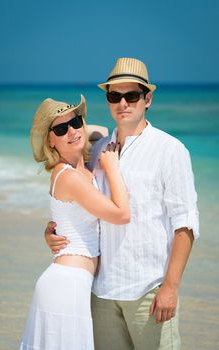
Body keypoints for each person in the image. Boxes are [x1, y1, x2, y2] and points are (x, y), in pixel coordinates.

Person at [45, 58, 199, 350]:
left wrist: (171, 286)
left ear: (147, 99)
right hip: (101, 292)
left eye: (132, 95)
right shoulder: (97, 148)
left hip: (149, 292)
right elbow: (77, 199)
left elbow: (185, 223)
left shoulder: (170, 150)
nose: (123, 103)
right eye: (114, 96)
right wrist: (54, 229)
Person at [20, 95, 130, 350]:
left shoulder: (82, 166)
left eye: (76, 121)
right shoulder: (68, 176)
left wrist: (75, 133)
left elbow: (100, 132)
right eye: (60, 129)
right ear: (50, 140)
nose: (71, 131)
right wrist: (112, 169)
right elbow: (121, 214)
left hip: (75, 284)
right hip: (66, 285)